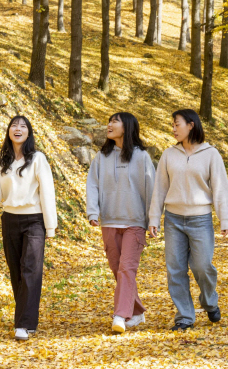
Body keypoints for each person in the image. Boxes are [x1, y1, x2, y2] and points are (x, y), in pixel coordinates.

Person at [0, 116, 57, 341]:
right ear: (9, 131)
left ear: (29, 133)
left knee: (31, 269)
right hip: (10, 220)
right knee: (16, 272)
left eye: (23, 126)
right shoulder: (3, 162)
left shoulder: (38, 159)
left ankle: (23, 324)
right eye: (14, 125)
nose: (18, 129)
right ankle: (27, 319)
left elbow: (47, 192)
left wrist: (51, 226)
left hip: (35, 221)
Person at [148, 109, 228, 331]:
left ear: (191, 125)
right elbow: (160, 188)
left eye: (177, 124)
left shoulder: (211, 154)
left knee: (202, 266)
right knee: (175, 269)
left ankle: (209, 301)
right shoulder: (169, 154)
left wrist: (224, 219)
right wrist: (154, 217)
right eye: (172, 125)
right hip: (173, 219)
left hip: (200, 219)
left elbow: (220, 188)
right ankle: (185, 315)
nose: (173, 128)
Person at [87, 112, 156, 334]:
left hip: (134, 222)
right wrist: (93, 211)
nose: (109, 124)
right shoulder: (101, 157)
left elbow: (151, 189)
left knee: (127, 269)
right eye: (109, 120)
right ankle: (136, 312)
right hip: (109, 221)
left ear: (127, 127)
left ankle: (120, 315)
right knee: (118, 270)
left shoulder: (142, 157)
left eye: (114, 121)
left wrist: (153, 219)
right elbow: (93, 185)